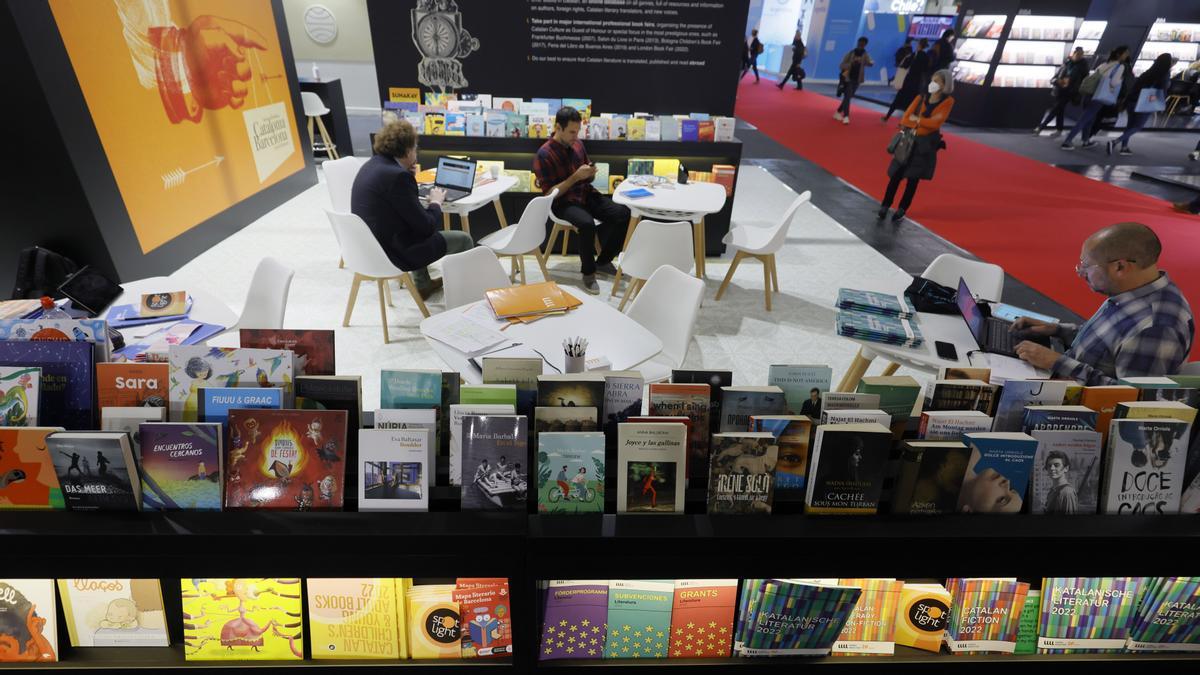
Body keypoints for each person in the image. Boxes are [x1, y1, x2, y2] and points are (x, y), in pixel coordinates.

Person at [1012, 222, 1194, 385]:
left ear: (1120, 267)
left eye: (1087, 266)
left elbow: (1131, 401)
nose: (1081, 273)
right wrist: (1057, 330)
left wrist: (1057, 362)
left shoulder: (1154, 329)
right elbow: (1111, 343)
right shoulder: (1136, 291)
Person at [350, 120, 474, 299]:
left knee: (411, 225)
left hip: (368, 249)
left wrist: (409, 177)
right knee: (463, 239)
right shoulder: (398, 177)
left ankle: (423, 284)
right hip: (394, 253)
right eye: (415, 149)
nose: (416, 153)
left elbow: (399, 205)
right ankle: (463, 294)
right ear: (408, 151)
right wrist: (436, 203)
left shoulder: (372, 165)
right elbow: (427, 227)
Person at [532, 106, 631, 294]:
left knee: (625, 214)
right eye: (571, 132)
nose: (575, 136)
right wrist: (576, 177)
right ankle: (588, 273)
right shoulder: (543, 155)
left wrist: (590, 174)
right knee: (586, 224)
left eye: (577, 131)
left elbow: (585, 176)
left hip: (585, 192)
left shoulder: (577, 144)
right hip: (562, 202)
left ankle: (602, 261)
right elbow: (549, 194)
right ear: (558, 128)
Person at [878, 69, 955, 223]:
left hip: (924, 146)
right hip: (908, 141)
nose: (933, 84)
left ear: (945, 85)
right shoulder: (921, 97)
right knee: (896, 175)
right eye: (932, 80)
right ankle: (885, 205)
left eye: (937, 81)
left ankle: (902, 209)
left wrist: (918, 121)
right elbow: (906, 118)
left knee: (913, 180)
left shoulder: (947, 102)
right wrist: (920, 123)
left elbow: (936, 123)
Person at [1062, 46, 1131, 150]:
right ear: (1119, 54)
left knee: (1090, 118)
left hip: (1089, 94)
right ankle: (1067, 141)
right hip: (1099, 95)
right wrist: (1120, 81)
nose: (1127, 55)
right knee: (1084, 119)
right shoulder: (1119, 67)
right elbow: (1113, 82)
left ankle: (1085, 141)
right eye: (1125, 53)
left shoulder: (1104, 64)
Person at [1107, 53, 1174, 156]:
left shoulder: (1148, 72)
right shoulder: (1164, 74)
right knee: (1138, 126)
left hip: (1132, 101)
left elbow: (1135, 85)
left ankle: (1124, 147)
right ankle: (1115, 142)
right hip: (1145, 102)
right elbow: (1163, 89)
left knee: (1129, 126)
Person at [1035, 47, 1090, 136]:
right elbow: (1058, 75)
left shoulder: (1083, 66)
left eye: (1081, 54)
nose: (1079, 56)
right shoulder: (1067, 63)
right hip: (1061, 89)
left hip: (1071, 91)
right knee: (1059, 109)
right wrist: (1056, 81)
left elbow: (1085, 79)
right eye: (1077, 54)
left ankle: (1040, 128)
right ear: (1074, 53)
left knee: (1056, 108)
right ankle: (1059, 130)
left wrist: (1079, 90)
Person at [882, 38, 930, 122]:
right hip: (917, 82)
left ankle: (887, 116)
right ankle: (904, 121)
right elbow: (926, 69)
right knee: (911, 103)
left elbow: (905, 65)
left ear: (919, 44)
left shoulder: (914, 54)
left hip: (909, 79)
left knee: (898, 99)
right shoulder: (926, 57)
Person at [834, 37, 873, 125]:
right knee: (847, 96)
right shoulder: (850, 53)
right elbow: (841, 65)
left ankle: (837, 112)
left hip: (857, 79)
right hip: (848, 78)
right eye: (860, 43)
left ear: (865, 45)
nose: (861, 45)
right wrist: (851, 63)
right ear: (858, 43)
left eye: (863, 44)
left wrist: (870, 63)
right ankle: (846, 116)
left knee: (848, 97)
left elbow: (868, 63)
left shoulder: (865, 54)